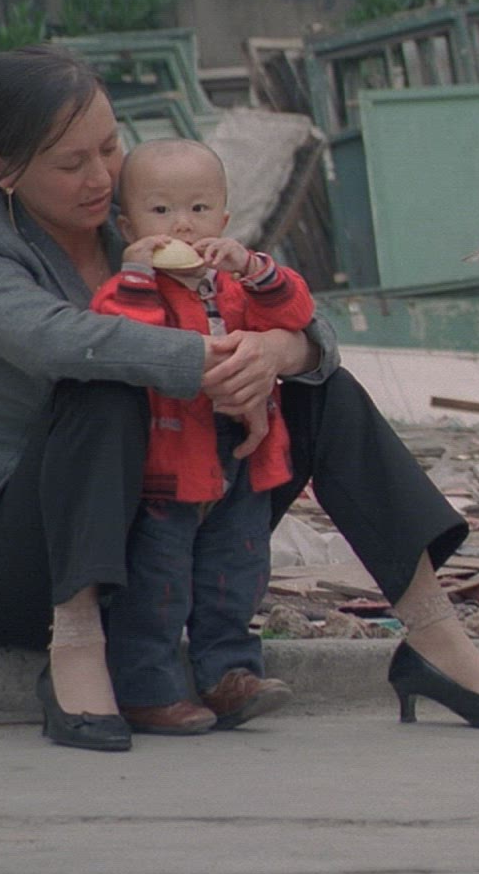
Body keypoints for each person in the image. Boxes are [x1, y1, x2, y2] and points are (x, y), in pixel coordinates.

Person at [0, 44, 479, 751]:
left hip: (165, 525)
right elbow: (64, 342)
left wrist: (272, 355)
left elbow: (297, 319)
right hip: (22, 571)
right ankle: (78, 648)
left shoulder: (142, 219)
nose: (101, 177)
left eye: (109, 148)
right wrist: (211, 363)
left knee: (321, 391)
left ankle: (434, 636)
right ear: (3, 168)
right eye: (71, 163)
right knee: (103, 387)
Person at [85, 139, 311, 736]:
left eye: (199, 209)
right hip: (169, 464)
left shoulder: (233, 287)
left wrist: (254, 268)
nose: (182, 225)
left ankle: (230, 677)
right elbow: (128, 339)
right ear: (128, 227)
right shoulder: (130, 288)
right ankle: (148, 690)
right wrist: (138, 271)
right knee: (157, 583)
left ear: (225, 221)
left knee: (236, 575)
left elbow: (294, 316)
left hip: (238, 458)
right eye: (161, 211)